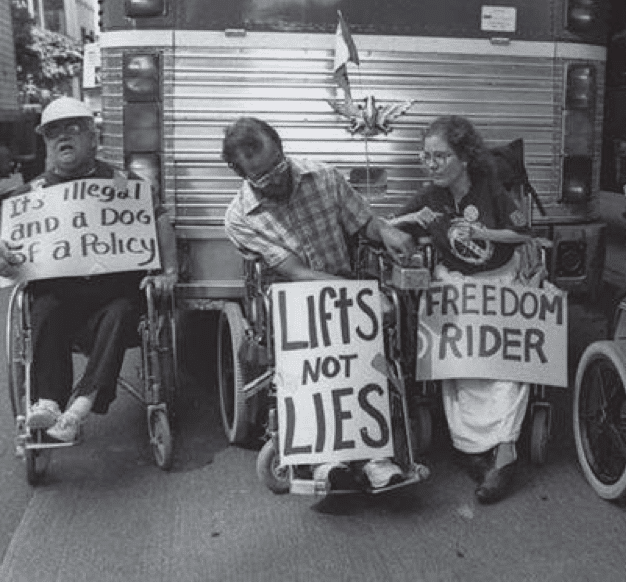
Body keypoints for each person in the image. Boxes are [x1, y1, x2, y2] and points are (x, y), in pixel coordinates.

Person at [222, 116, 415, 490]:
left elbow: (364, 223)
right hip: (295, 305)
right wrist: (357, 293)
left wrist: (387, 231)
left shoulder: (325, 177)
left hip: (345, 293)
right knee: (312, 366)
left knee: (363, 360)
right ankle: (326, 460)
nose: (277, 179)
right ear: (240, 173)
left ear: (281, 148)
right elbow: (296, 273)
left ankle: (377, 455)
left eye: (278, 165)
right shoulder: (239, 218)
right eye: (262, 177)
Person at [392, 115, 546, 504]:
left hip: (499, 285)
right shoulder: (429, 198)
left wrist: (484, 233)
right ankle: (474, 451)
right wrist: (411, 220)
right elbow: (382, 227)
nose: (432, 164)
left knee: (506, 371)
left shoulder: (490, 190)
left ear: (464, 157)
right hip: (454, 289)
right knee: (461, 375)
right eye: (426, 156)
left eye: (441, 156)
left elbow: (523, 232)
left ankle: (505, 452)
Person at [6, 97, 178, 443]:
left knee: (121, 310)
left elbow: (159, 220)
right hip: (60, 300)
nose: (62, 137)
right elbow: (11, 262)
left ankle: (79, 409)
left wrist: (169, 271)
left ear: (93, 138)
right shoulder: (31, 196)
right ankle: (50, 403)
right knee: (44, 306)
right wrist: (7, 259)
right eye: (52, 132)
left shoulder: (120, 184)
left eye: (72, 128)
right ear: (45, 143)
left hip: (113, 298)